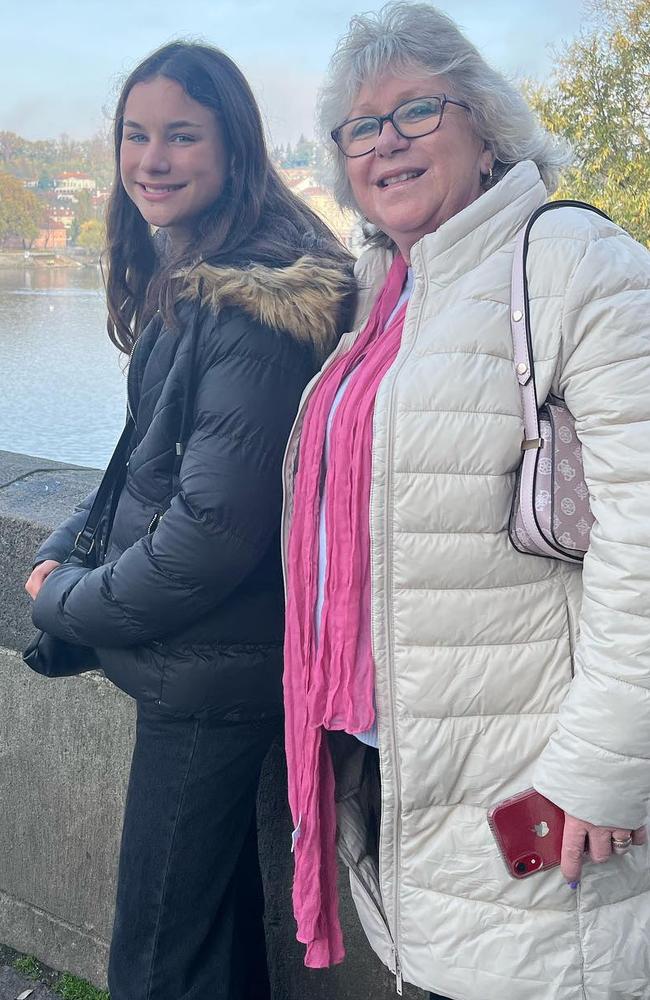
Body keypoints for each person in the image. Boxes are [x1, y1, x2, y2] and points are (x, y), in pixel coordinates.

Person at [281, 4, 650, 998]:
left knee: (537, 970)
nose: (385, 141)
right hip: (396, 758)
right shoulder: (382, 290)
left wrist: (600, 770)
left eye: (415, 110)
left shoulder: (570, 261)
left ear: (485, 128)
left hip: (534, 773)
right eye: (360, 126)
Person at [24, 41, 354, 1000]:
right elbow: (143, 463)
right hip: (208, 659)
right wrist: (60, 547)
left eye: (181, 136)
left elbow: (211, 533)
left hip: (213, 670)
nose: (150, 160)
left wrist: (67, 604)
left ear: (235, 147)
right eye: (135, 135)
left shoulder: (250, 306)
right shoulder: (205, 273)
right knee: (206, 944)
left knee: (159, 960)